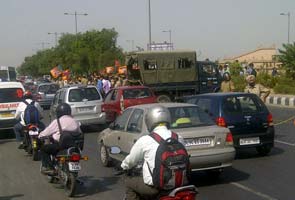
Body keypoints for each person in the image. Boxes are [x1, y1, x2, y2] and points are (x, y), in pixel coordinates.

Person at [120, 105, 186, 200]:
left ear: (150, 121)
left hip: (155, 187)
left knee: (129, 183)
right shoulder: (178, 137)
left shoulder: (145, 140)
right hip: (179, 184)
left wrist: (124, 166)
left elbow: (131, 160)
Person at [38, 103, 82, 174]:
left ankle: (48, 167)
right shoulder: (75, 121)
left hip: (61, 146)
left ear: (59, 112)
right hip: (75, 146)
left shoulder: (57, 121)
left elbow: (46, 132)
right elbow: (79, 132)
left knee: (43, 149)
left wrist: (40, 136)